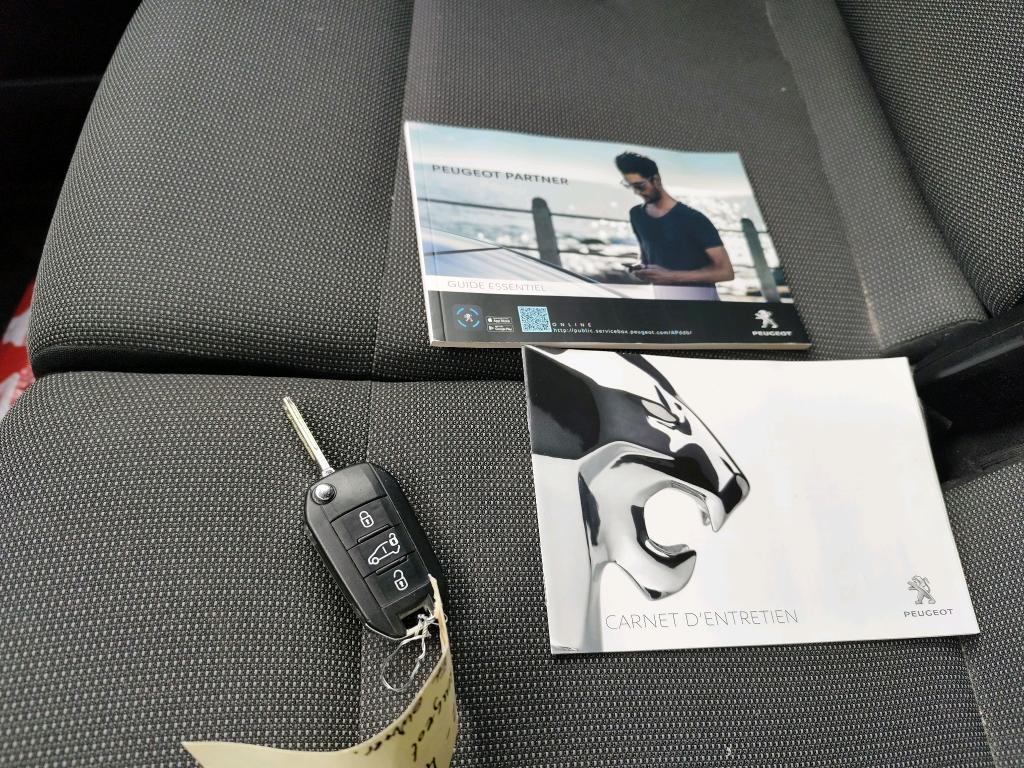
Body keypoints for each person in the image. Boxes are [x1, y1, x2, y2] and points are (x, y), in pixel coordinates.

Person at [615, 151, 734, 300]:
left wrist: (670, 276)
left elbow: (726, 272)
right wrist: (642, 269)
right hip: (664, 303)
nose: (636, 192)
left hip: (702, 306)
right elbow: (648, 258)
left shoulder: (693, 218)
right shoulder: (637, 215)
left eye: (640, 186)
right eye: (630, 186)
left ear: (656, 179)